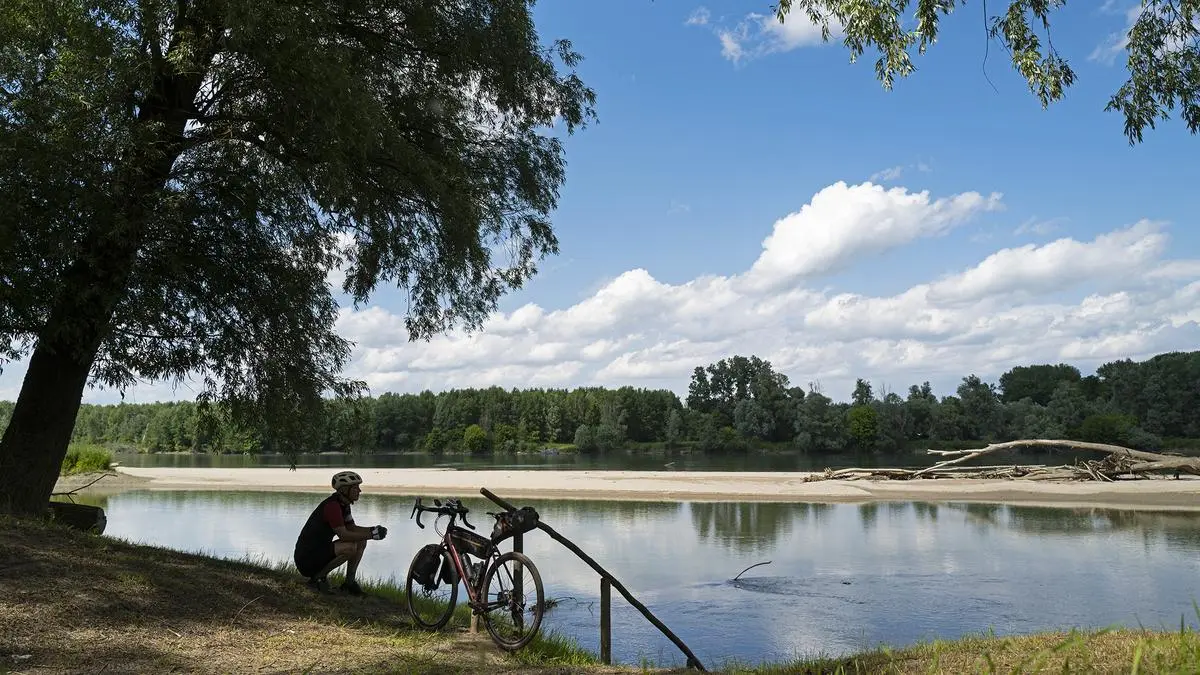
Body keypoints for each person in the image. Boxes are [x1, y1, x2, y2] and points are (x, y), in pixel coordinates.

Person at [293, 470, 388, 595]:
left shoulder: (343, 504)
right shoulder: (333, 506)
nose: (359, 491)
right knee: (350, 547)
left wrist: (373, 529)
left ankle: (349, 583)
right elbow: (344, 535)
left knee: (360, 541)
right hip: (307, 558)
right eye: (355, 488)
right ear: (344, 490)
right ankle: (317, 580)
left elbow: (352, 528)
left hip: (319, 551)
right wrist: (372, 535)